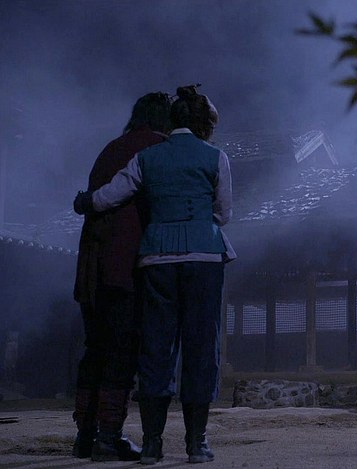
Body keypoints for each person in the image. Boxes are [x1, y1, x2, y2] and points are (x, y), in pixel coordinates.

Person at [74, 84, 235, 464]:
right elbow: (223, 213)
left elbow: (108, 196)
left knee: (157, 348)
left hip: (156, 258)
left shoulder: (145, 157)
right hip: (203, 257)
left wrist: (84, 202)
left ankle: (151, 444)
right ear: (204, 123)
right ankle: (196, 444)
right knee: (201, 347)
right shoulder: (215, 156)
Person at [72, 92, 171, 461]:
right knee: (122, 349)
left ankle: (84, 436)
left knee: (95, 348)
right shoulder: (156, 149)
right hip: (125, 263)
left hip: (91, 266)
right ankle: (108, 437)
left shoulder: (111, 147)